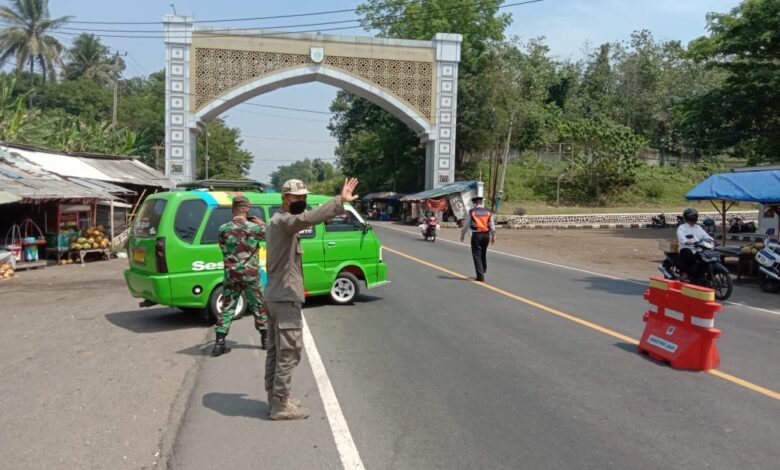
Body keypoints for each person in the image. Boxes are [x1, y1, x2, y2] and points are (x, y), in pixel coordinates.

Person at [264, 177, 360, 420]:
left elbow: (308, 221)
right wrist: (339, 201)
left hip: (277, 295)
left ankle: (276, 398)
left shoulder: (281, 222)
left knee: (276, 351)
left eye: (304, 198)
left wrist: (326, 215)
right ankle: (280, 405)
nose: (302, 201)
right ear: (284, 198)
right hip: (284, 297)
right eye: (297, 198)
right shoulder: (284, 221)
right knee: (289, 352)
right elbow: (304, 219)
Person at [213, 195, 268, 356]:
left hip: (232, 274)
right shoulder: (255, 228)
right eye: (248, 207)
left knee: (227, 307)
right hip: (251, 274)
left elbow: (222, 247)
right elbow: (270, 235)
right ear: (246, 209)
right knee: (258, 305)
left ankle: (219, 343)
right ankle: (266, 341)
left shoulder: (223, 229)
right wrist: (262, 224)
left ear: (232, 209)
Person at [460, 196, 496, 282]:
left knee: (476, 255)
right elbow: (492, 224)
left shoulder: (472, 212)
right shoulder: (488, 212)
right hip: (486, 236)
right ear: (481, 203)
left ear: (474, 204)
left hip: (477, 235)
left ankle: (480, 276)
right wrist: (493, 236)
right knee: (483, 253)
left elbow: (466, 224)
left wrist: (463, 234)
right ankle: (483, 270)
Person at [676, 207, 713, 280]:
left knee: (706, 257)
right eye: (691, 217)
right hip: (686, 248)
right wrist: (686, 242)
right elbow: (681, 238)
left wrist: (712, 240)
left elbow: (705, 235)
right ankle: (684, 273)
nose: (693, 218)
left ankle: (702, 275)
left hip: (698, 248)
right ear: (687, 218)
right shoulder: (682, 227)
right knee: (687, 252)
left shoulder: (698, 227)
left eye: (695, 216)